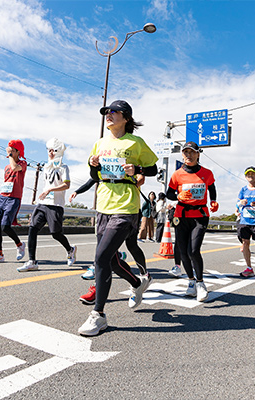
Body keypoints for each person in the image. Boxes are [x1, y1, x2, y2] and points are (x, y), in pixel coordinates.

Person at [78, 100, 158, 336]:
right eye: (106, 112)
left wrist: (138, 170)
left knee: (100, 258)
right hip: (103, 203)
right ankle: (137, 283)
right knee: (111, 261)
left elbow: (152, 168)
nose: (108, 115)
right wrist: (93, 165)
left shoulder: (136, 142)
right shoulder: (99, 143)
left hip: (126, 206)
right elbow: (95, 175)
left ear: (126, 117)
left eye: (113, 111)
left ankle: (98, 315)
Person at [166, 141, 218, 301]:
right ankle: (191, 281)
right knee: (183, 252)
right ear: (182, 155)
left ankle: (201, 283)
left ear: (198, 154)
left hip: (200, 216)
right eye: (185, 152)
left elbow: (211, 188)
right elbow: (169, 194)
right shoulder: (177, 174)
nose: (188, 155)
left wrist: (214, 200)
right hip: (181, 215)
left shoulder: (206, 173)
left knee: (193, 251)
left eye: (191, 152)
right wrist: (178, 196)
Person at [18, 138, 77, 272]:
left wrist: (50, 190)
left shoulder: (64, 167)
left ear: (59, 152)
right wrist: (43, 194)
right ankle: (32, 261)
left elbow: (66, 185)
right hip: (43, 203)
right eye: (49, 150)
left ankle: (70, 249)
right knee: (32, 228)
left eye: (54, 150)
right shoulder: (46, 167)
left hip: (56, 204)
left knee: (55, 233)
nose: (50, 153)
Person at [0, 140, 27, 264]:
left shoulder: (22, 163)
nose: (10, 153)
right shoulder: (6, 167)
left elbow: (15, 167)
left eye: (12, 150)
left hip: (14, 198)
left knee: (5, 226)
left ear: (18, 152)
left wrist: (10, 156)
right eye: (9, 150)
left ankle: (19, 245)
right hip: (2, 196)